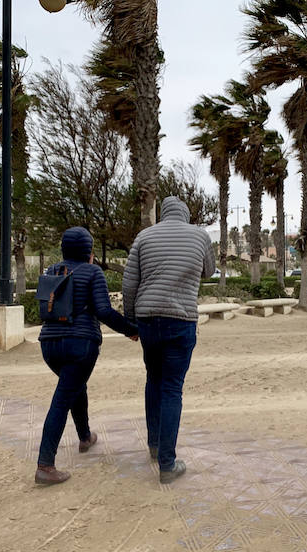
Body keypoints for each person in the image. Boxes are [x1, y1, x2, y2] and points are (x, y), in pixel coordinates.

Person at [123, 196, 216, 484]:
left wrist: (131, 321)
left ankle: (154, 444)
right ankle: (167, 462)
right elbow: (209, 271)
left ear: (163, 214)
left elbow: (129, 283)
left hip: (149, 319)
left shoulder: (144, 236)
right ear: (186, 215)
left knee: (153, 379)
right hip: (181, 319)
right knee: (172, 389)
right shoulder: (200, 236)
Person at [35, 227, 138, 486]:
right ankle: (45, 465)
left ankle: (85, 437)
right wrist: (131, 330)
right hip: (80, 344)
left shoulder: (52, 271)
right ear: (89, 252)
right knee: (62, 399)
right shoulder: (93, 272)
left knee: (74, 387)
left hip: (49, 344)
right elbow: (103, 311)